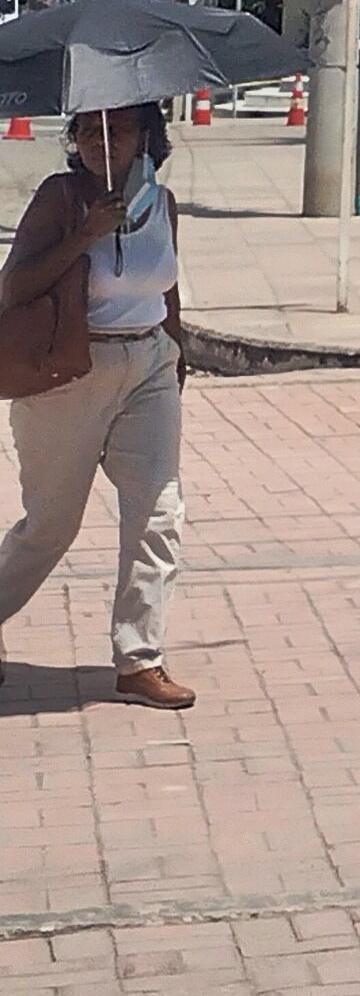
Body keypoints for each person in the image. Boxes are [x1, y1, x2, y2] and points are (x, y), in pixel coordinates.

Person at [0, 101, 191, 708]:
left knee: (158, 512)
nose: (100, 143)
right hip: (70, 372)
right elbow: (15, 288)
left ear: (146, 139)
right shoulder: (61, 198)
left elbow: (168, 283)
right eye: (87, 131)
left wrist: (178, 350)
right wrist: (85, 235)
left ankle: (139, 659)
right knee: (51, 527)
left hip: (149, 363)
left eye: (119, 129)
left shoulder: (160, 204)